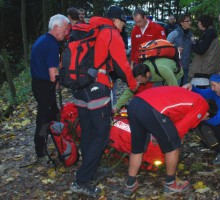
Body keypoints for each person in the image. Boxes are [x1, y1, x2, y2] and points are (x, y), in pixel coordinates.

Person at [69, 6, 138, 197]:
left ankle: (88, 170)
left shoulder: (90, 28)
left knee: (88, 132)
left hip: (79, 86)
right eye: (123, 23)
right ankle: (82, 180)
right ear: (116, 20)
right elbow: (121, 65)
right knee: (102, 134)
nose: (123, 27)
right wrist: (134, 85)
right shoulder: (110, 32)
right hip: (97, 87)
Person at [123, 86, 209, 197]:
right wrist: (176, 139)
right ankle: (170, 183)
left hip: (135, 103)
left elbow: (169, 117)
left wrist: (158, 134)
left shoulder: (189, 97)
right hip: (151, 108)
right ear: (207, 114)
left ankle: (130, 183)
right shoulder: (202, 105)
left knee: (137, 148)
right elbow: (180, 128)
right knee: (173, 146)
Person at [30, 14, 70, 164]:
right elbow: (53, 75)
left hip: (39, 84)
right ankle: (40, 151)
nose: (66, 33)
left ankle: (60, 144)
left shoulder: (42, 39)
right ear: (56, 28)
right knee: (44, 120)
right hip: (45, 87)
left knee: (55, 115)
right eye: (65, 29)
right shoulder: (52, 45)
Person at [114, 58, 183, 111]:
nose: (139, 83)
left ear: (147, 74)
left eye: (140, 81)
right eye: (137, 81)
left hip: (175, 75)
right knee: (155, 97)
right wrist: (117, 106)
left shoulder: (163, 69)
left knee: (170, 97)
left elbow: (175, 90)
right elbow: (130, 90)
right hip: (160, 78)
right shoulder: (143, 71)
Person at [190, 15, 220, 88]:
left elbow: (201, 50)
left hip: (205, 69)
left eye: (199, 22)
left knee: (201, 91)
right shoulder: (210, 32)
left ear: (203, 23)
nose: (198, 24)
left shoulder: (209, 33)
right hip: (207, 67)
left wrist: (194, 42)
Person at [167, 13, 193, 86]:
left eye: (190, 20)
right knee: (176, 87)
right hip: (176, 66)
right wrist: (175, 49)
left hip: (186, 65)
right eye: (187, 21)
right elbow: (165, 46)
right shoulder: (175, 33)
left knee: (184, 87)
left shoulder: (190, 34)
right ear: (181, 23)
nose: (189, 22)